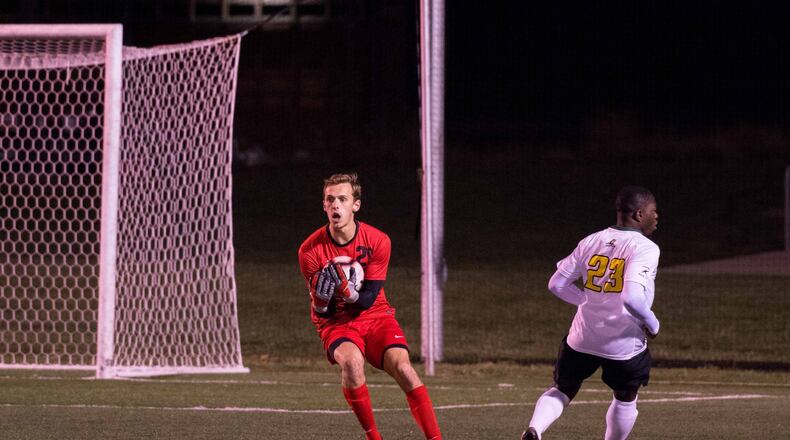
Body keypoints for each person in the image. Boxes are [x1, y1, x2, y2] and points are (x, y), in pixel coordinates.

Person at [298, 172, 442, 440]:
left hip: (375, 314)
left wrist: (347, 290)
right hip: (337, 322)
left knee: (404, 368)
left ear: (356, 205)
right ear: (324, 206)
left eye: (342, 199)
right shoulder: (309, 250)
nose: (336, 205)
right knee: (352, 362)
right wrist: (320, 303)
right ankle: (374, 438)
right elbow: (324, 312)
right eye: (330, 200)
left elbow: (369, 296)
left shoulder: (378, 241)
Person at [521, 186, 661, 440]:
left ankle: (535, 429)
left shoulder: (591, 240)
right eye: (653, 211)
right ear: (640, 214)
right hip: (622, 343)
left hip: (582, 338)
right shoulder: (646, 248)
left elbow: (556, 284)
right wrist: (652, 323)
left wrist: (585, 301)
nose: (657, 216)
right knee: (626, 396)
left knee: (563, 388)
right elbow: (632, 298)